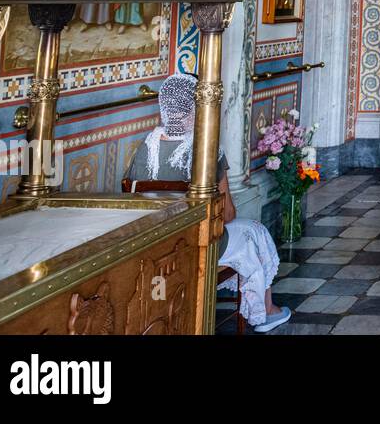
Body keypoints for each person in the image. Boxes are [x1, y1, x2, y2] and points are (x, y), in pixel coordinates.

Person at [125, 74, 292, 333]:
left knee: (250, 231)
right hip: (197, 240)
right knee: (255, 231)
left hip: (155, 243)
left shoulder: (144, 148)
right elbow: (225, 214)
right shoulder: (207, 150)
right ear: (197, 108)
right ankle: (264, 312)